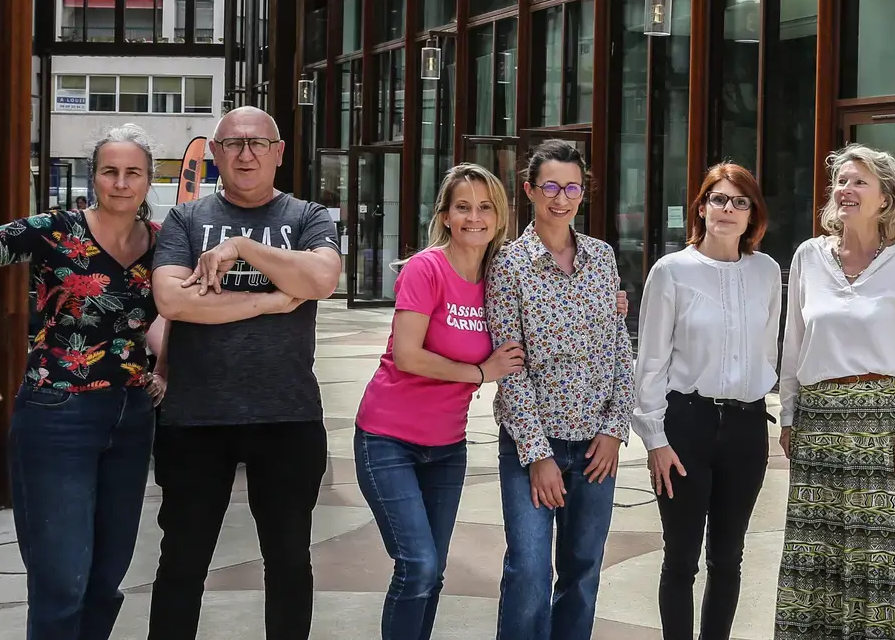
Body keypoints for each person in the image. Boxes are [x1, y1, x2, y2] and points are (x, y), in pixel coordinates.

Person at [0, 124, 167, 640]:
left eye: (133, 172)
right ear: (95, 177)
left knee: (107, 579)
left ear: (149, 181)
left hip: (131, 419)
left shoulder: (160, 244)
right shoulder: (55, 230)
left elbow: (154, 318)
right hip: (58, 413)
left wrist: (168, 369)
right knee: (62, 579)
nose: (121, 183)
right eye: (110, 171)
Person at [147, 106, 343, 640]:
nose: (246, 153)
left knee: (287, 561)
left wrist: (241, 250)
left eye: (258, 143)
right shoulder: (186, 221)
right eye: (233, 143)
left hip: (287, 417)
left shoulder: (308, 218)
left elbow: (322, 278)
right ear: (215, 153)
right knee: (182, 561)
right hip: (195, 419)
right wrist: (272, 302)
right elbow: (171, 298)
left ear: (279, 152)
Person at [775, 144, 895, 640]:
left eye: (858, 182)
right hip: (820, 422)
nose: (845, 190)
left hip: (884, 423)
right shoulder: (808, 256)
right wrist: (788, 416)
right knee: (819, 554)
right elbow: (793, 344)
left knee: (889, 556)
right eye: (841, 181)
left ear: (886, 198)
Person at [354, 163, 526, 640]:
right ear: (446, 216)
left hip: (447, 448)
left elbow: (554, 293)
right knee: (419, 566)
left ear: (499, 215)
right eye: (463, 207)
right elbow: (408, 355)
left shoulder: (501, 275)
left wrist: (605, 300)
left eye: (486, 207)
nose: (475, 217)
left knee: (432, 575)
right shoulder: (426, 268)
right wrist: (480, 372)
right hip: (388, 440)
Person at [486, 139, 635, 640]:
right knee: (529, 571)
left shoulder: (602, 257)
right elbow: (511, 367)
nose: (560, 197)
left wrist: (615, 431)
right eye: (549, 185)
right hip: (534, 447)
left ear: (582, 192)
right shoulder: (508, 265)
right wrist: (537, 455)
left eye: (571, 187)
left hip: (596, 448)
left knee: (583, 570)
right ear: (529, 190)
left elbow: (619, 351)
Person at [633, 162, 779, 640]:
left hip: (746, 426)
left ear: (752, 213)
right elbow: (650, 362)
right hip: (685, 427)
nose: (728, 209)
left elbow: (771, 351)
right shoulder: (671, 271)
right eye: (718, 198)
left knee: (728, 556)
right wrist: (655, 438)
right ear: (701, 207)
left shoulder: (767, 271)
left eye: (740, 201)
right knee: (680, 557)